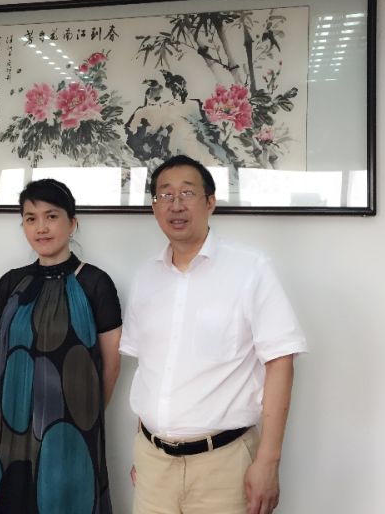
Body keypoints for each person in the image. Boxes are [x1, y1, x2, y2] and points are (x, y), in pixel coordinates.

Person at [120, 155, 307, 514]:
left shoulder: (250, 268)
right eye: (165, 195)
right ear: (154, 207)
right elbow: (149, 369)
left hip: (224, 465)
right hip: (153, 465)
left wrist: (268, 461)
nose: (176, 204)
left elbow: (281, 360)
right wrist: (143, 446)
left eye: (187, 193)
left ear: (210, 202)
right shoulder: (146, 277)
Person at [0, 178, 122, 514]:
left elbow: (111, 365)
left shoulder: (95, 283)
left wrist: (84, 420)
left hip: (70, 430)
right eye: (31, 218)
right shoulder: (11, 283)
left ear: (72, 223)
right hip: (10, 427)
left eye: (51, 216)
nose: (41, 227)